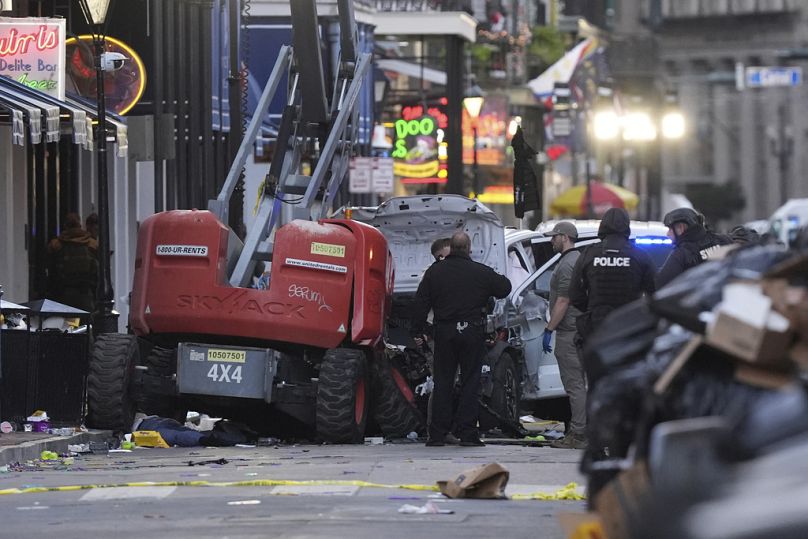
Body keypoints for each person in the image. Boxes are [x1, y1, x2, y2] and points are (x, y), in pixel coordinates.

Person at [411, 231, 511, 447]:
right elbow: (505, 287)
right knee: (470, 382)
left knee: (443, 383)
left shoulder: (434, 272)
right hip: (472, 333)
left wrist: (418, 331)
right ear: (468, 249)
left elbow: (420, 304)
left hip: (445, 333)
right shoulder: (480, 272)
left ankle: (437, 434)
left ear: (452, 248)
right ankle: (468, 433)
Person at [569, 207, 656, 385]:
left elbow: (574, 294)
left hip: (596, 330)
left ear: (603, 226)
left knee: (596, 385)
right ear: (626, 226)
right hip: (629, 330)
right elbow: (655, 294)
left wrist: (593, 309)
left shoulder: (589, 254)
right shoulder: (640, 255)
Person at [541, 222, 587, 449]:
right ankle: (582, 431)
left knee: (574, 384)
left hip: (569, 331)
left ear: (565, 237)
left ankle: (578, 434)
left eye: (554, 237)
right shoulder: (577, 260)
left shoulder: (568, 264)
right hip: (578, 329)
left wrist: (549, 328)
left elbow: (563, 300)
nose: (551, 241)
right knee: (581, 383)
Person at [655, 207, 732, 288]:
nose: (668, 234)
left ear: (681, 228)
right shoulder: (723, 240)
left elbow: (661, 285)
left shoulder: (682, 254)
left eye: (670, 229)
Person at [46, 213, 99, 313]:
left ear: (65, 225)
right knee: (86, 323)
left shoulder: (55, 245)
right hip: (86, 294)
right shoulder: (92, 244)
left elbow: (50, 269)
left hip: (62, 295)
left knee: (66, 324)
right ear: (80, 225)